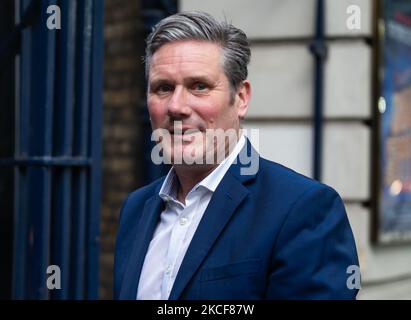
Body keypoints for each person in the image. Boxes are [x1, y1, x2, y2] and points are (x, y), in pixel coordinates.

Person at [114, 11, 360, 300]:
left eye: (199, 86)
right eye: (163, 88)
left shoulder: (303, 210)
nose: (177, 106)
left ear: (241, 98)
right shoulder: (136, 207)